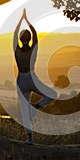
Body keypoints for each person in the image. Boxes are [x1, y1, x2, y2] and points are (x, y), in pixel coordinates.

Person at [13, 8, 57, 145]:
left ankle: (30, 139)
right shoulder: (33, 49)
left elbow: (15, 33)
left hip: (21, 79)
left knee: (24, 111)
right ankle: (36, 107)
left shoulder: (16, 49)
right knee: (52, 94)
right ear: (30, 39)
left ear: (20, 39)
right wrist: (28, 20)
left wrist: (21, 19)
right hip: (32, 78)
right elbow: (35, 33)